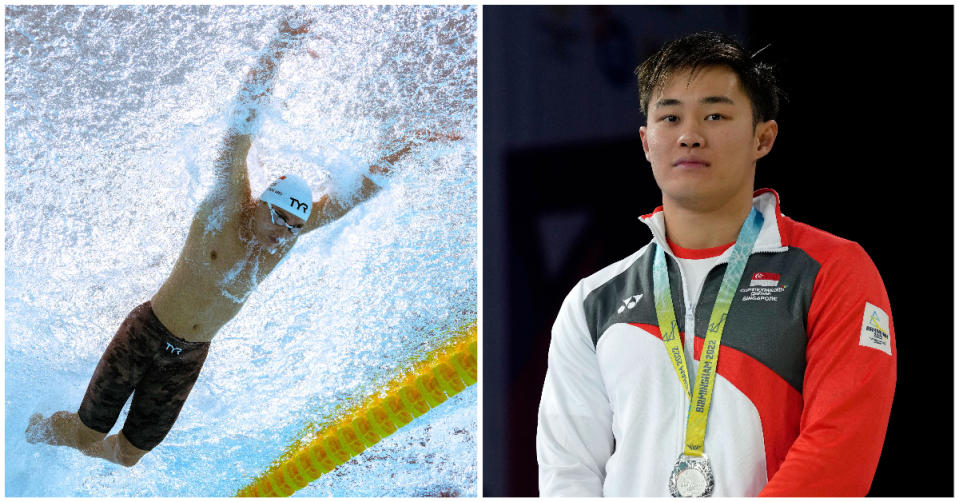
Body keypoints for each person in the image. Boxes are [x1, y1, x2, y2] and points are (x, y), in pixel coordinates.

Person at [25, 17, 453, 467]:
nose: (283, 231)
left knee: (128, 456)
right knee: (85, 433)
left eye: (294, 226)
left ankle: (70, 438)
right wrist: (277, 51)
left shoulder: (283, 239)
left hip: (188, 356)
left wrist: (407, 148)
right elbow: (239, 129)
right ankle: (29, 429)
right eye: (279, 217)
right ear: (262, 200)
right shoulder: (227, 207)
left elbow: (350, 198)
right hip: (147, 333)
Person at [536, 31, 896, 497]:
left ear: (763, 138)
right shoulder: (593, 300)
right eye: (669, 117)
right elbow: (569, 471)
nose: (689, 135)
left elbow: (839, 451)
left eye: (715, 114)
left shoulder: (831, 270)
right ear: (646, 142)